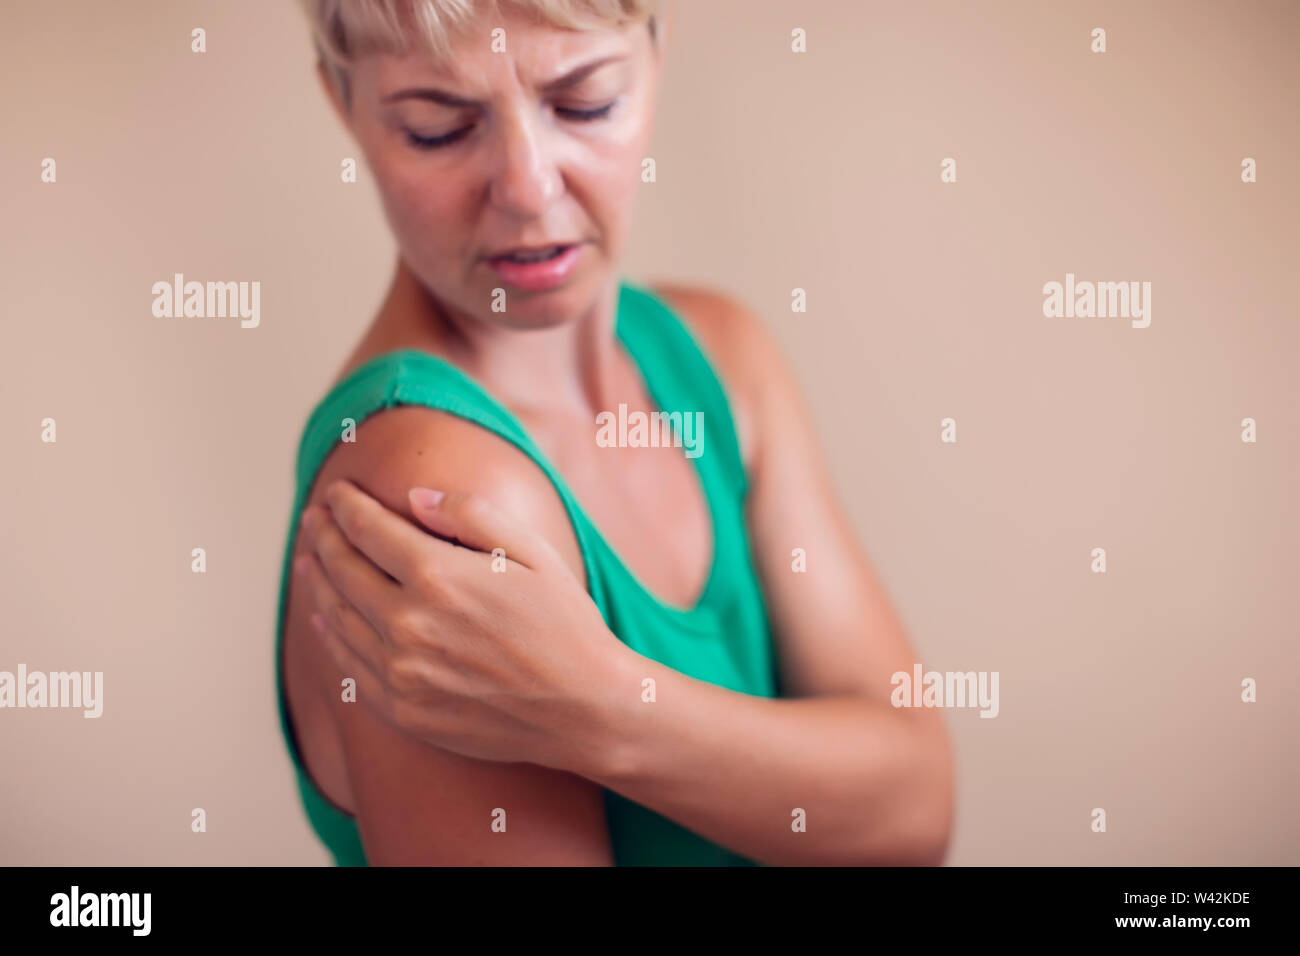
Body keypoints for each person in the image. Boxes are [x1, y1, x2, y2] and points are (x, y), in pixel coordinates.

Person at [276, 0, 954, 865]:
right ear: (344, 106)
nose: (526, 189)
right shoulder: (433, 492)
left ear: (657, 56)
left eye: (585, 103)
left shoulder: (719, 359)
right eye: (440, 129)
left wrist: (600, 706)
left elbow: (916, 804)